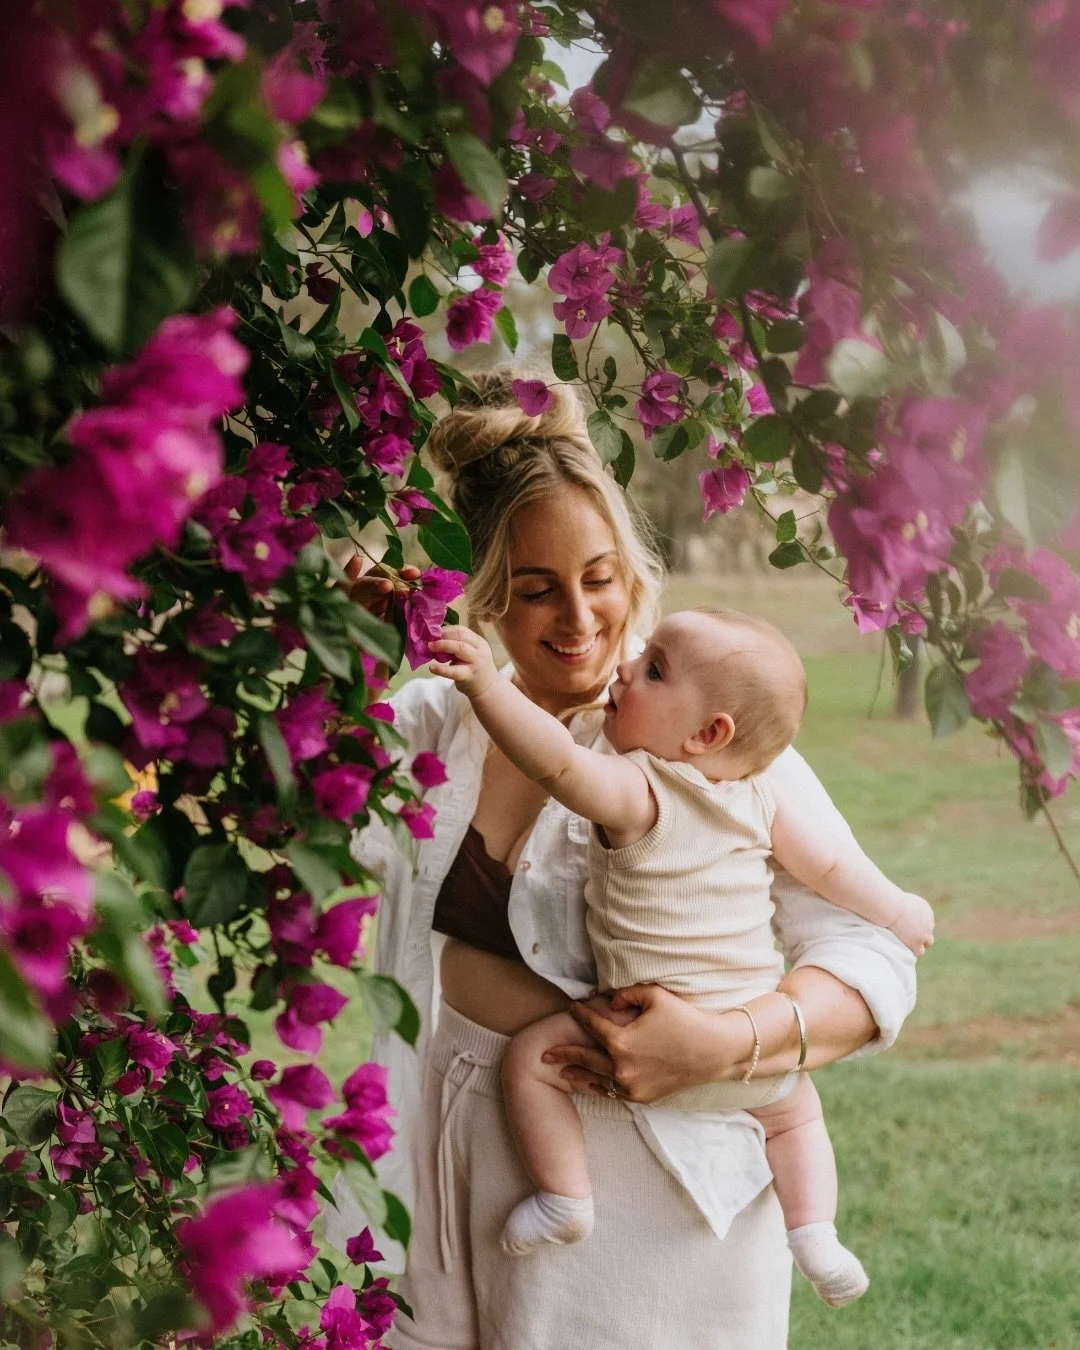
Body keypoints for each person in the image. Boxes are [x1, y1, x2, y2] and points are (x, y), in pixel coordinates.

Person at [326, 370, 917, 1350]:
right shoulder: (436, 724)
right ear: (482, 596)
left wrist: (728, 1043)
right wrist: (345, 665)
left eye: (598, 576)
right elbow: (311, 824)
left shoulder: (700, 737)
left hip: (685, 1194)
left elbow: (872, 951)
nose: (580, 617)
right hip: (492, 1172)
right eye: (536, 588)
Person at [428, 608, 934, 1307]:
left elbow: (556, 761)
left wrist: (489, 688)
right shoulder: (759, 797)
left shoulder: (641, 793)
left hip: (633, 1025)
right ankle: (815, 1231)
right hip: (752, 1039)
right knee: (798, 1117)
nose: (627, 666)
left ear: (706, 733)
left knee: (533, 1062)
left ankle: (565, 1197)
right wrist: (898, 907)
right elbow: (831, 865)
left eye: (654, 668)